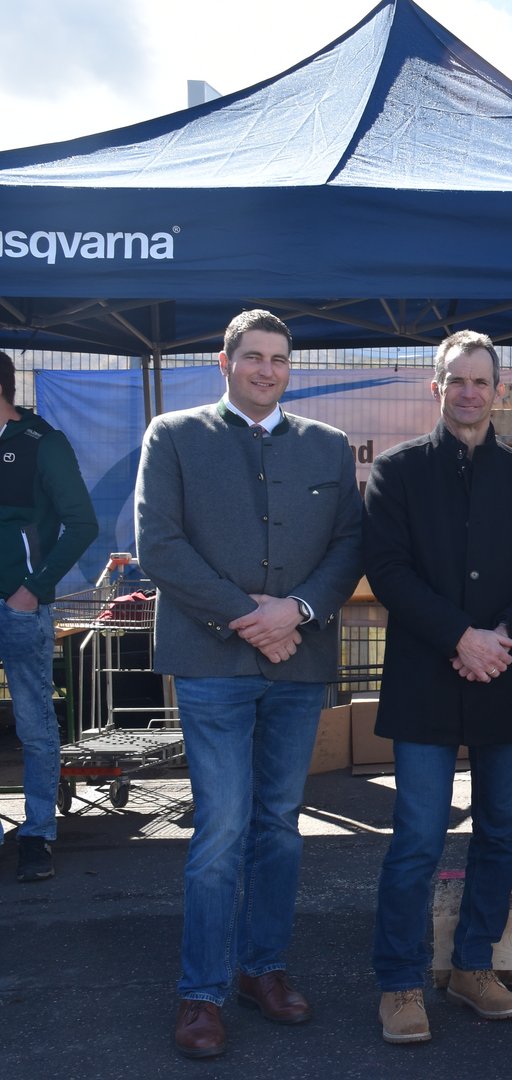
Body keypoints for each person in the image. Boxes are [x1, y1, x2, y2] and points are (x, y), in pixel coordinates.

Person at [135, 310, 363, 1058]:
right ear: (224, 362)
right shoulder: (174, 436)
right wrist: (250, 616)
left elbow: (349, 545)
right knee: (222, 828)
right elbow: (159, 544)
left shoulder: (327, 447)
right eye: (254, 357)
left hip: (298, 664)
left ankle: (261, 968)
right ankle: (200, 993)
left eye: (279, 359)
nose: (267, 370)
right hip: (212, 667)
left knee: (279, 827)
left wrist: (296, 610)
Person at [364, 331, 512, 1045]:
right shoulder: (396, 472)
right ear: (437, 386)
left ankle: (473, 966)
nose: (469, 392)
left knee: (499, 833)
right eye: (457, 379)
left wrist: (501, 637)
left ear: (499, 391)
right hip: (425, 678)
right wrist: (460, 637)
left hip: (503, 676)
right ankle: (400, 982)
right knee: (418, 838)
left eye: (481, 381)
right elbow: (388, 570)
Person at [0, 350, 98, 883]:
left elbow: (82, 523)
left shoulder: (43, 443)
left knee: (34, 724)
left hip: (18, 609)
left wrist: (32, 590)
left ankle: (36, 835)